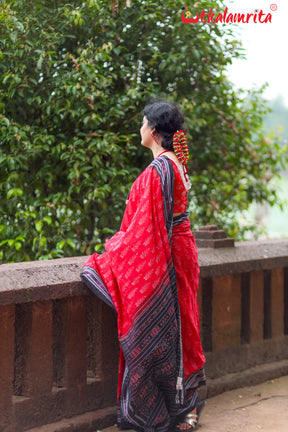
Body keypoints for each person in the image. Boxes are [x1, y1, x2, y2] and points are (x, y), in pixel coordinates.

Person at [81, 101, 206, 432]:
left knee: (174, 330)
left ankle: (181, 408)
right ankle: (184, 408)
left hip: (170, 254)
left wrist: (114, 250)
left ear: (152, 131)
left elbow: (146, 229)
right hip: (181, 249)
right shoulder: (173, 164)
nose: (139, 128)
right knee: (182, 328)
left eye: (142, 123)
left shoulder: (160, 169)